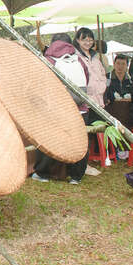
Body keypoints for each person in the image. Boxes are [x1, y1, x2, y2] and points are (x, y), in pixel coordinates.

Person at [32, 32, 89, 184]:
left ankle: (42, 173)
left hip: (55, 108)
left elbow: (40, 82)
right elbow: (87, 79)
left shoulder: (48, 60)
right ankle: (76, 176)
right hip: (79, 108)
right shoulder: (79, 59)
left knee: (49, 139)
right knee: (79, 142)